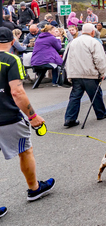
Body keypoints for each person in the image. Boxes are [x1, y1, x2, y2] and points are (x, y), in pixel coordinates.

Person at [0, 27, 56, 212]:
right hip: (7, 118)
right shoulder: (10, 59)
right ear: (11, 42)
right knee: (25, 151)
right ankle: (34, 189)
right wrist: (32, 116)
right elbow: (17, 92)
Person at [63, 23, 106, 128]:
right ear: (93, 32)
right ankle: (101, 113)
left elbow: (65, 58)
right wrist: (102, 73)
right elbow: (100, 59)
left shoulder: (72, 42)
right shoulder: (94, 42)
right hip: (90, 74)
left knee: (75, 97)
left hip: (75, 74)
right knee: (96, 94)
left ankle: (70, 118)